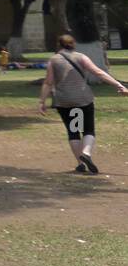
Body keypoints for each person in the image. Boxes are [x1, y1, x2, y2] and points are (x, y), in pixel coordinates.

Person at [38, 34, 128, 174]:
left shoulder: (54, 60)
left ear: (59, 45)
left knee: (73, 131)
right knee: (88, 130)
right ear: (73, 44)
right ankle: (86, 153)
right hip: (82, 99)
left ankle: (80, 164)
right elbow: (98, 72)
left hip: (64, 101)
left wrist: (42, 101)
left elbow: (48, 82)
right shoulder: (81, 57)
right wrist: (118, 85)